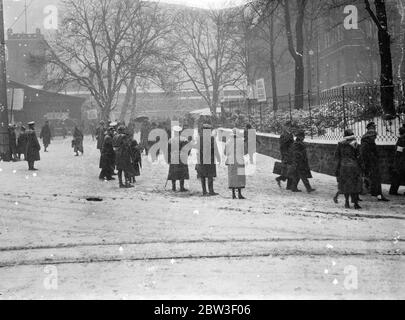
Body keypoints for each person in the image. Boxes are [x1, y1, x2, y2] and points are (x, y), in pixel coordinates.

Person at [360, 122, 389, 201]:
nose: (375, 136)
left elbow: (364, 152)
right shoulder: (368, 141)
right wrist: (372, 159)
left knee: (372, 177)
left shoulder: (365, 139)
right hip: (371, 162)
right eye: (374, 135)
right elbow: (366, 153)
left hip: (369, 162)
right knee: (376, 177)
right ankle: (378, 195)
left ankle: (375, 193)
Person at [334, 129, 362, 210]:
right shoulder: (355, 143)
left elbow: (336, 156)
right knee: (355, 184)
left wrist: (338, 167)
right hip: (353, 167)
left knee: (345, 184)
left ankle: (346, 202)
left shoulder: (340, 144)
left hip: (343, 167)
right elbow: (359, 156)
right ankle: (356, 203)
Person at [195, 123, 221, 196]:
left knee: (202, 175)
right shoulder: (211, 138)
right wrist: (218, 157)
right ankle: (211, 191)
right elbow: (215, 149)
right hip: (210, 159)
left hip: (201, 159)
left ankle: (204, 191)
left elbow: (197, 148)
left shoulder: (199, 138)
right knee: (210, 176)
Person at [167, 126, 190, 192]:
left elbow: (168, 151)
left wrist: (168, 159)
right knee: (181, 172)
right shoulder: (184, 139)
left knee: (173, 172)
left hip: (173, 158)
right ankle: (181, 187)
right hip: (182, 158)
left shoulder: (171, 140)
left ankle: (173, 187)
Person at [225, 128, 246, 200]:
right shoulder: (241, 141)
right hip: (239, 160)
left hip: (231, 160)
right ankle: (240, 193)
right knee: (240, 176)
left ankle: (233, 194)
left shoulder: (228, 141)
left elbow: (225, 152)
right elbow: (243, 151)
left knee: (232, 176)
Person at [276, 121, 294, 190]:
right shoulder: (283, 135)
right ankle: (287, 184)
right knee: (289, 170)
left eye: (291, 127)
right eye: (289, 126)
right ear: (285, 127)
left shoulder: (290, 134)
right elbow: (282, 146)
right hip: (286, 155)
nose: (290, 128)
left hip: (291, 154)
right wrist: (285, 155)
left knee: (290, 170)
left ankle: (288, 184)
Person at [389, 126, 405, 196]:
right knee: (397, 176)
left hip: (400, 160)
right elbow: (399, 150)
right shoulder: (402, 139)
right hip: (401, 161)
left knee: (397, 176)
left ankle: (393, 191)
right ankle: (393, 191)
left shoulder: (401, 139)